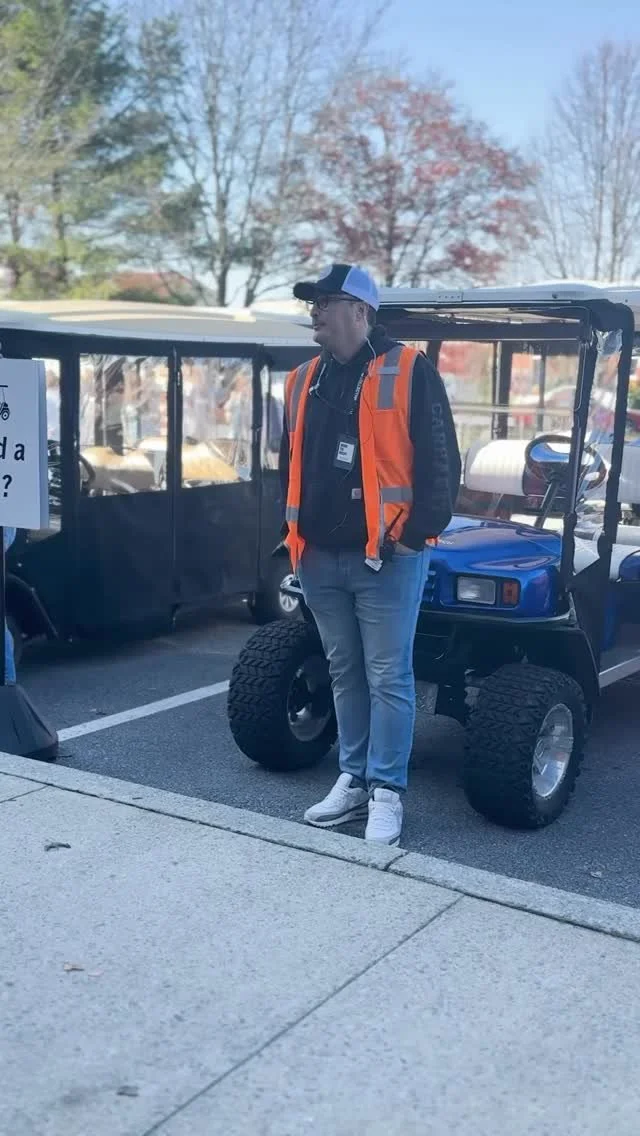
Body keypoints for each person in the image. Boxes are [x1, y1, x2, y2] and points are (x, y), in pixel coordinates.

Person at [279, 264, 460, 846]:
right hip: (318, 556)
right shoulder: (301, 380)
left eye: (325, 301)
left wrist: (413, 536)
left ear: (360, 311)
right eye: (311, 303)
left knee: (388, 676)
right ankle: (352, 779)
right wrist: (292, 537)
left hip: (386, 556)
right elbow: (288, 464)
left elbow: (441, 463)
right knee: (345, 671)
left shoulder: (409, 369)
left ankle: (386, 791)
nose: (314, 312)